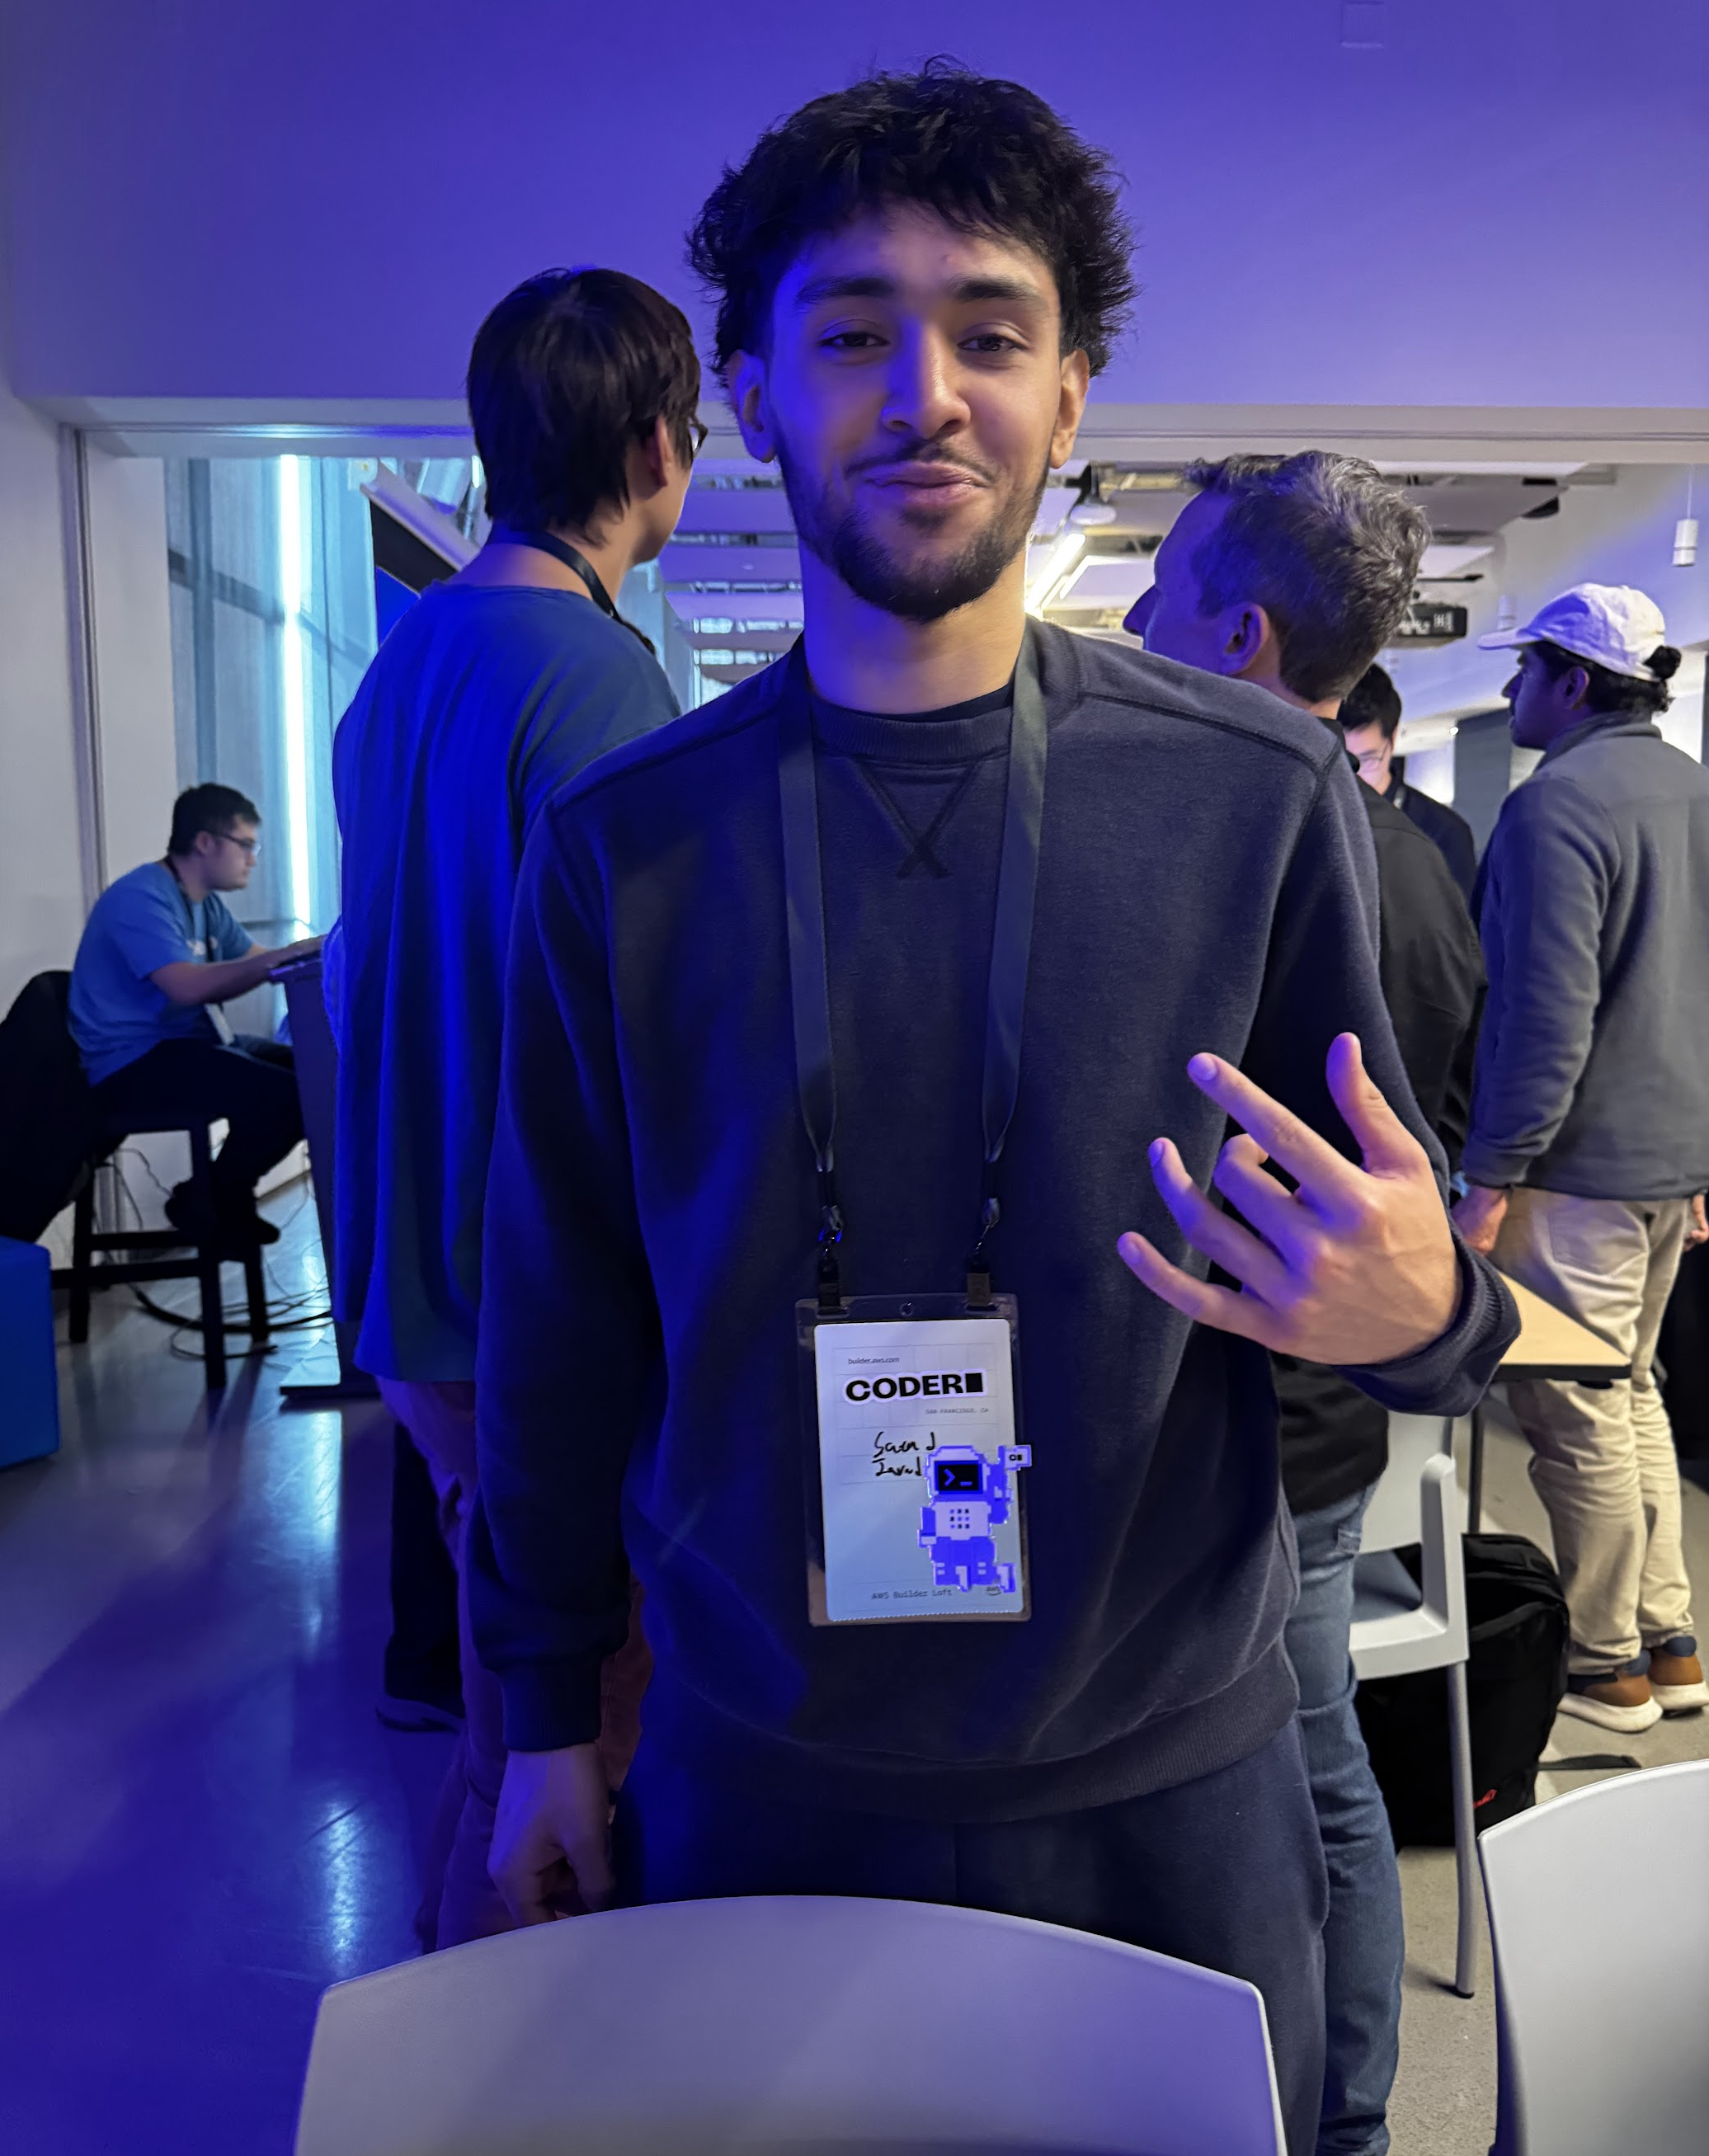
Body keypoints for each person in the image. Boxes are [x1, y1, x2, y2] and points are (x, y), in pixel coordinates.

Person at [470, 68, 1517, 2156]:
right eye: (853, 331)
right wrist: (535, 1718)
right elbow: (562, 1316)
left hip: (1167, 1784)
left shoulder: (1253, 794)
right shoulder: (626, 841)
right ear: (753, 392)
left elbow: (1399, 1278)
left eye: (990, 330)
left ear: (1071, 396)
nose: (925, 390)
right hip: (761, 1769)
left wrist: (1424, 1313)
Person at [331, 266, 699, 1946]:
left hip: (411, 1283)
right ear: (655, 450)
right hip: (538, 1295)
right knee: (569, 1743)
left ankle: (460, 2043)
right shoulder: (603, 683)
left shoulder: (391, 674)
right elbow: (644, 1038)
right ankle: (500, 2076)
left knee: (504, 1707)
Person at [1129, 452, 1485, 2156]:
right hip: (1316, 1410)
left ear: (1243, 633)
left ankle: (1339, 2114)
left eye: (1165, 583)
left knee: (1307, 1770)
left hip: (1284, 1406)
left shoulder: (1262, 847)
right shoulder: (1411, 846)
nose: (1128, 616)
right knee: (1313, 1755)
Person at [1454, 584, 1709, 1734]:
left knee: (1569, 1408)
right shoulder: (1695, 791)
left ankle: (1607, 1661)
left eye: (1525, 670)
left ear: (1571, 680)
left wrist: (1492, 1174)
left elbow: (1541, 1017)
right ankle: (1672, 1635)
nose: (1510, 690)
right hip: (1668, 1168)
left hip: (1576, 1170)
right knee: (1630, 1391)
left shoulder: (1559, 806)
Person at [68, 783, 318, 1249]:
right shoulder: (141, 897)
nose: (253, 859)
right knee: (283, 1095)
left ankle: (209, 1196)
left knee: (311, 1076)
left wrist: (311, 954)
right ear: (205, 842)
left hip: (187, 1045)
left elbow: (264, 959)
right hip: (131, 1062)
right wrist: (281, 958)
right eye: (246, 845)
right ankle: (215, 1198)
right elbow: (185, 986)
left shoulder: (205, 905)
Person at [1341, 663, 1478, 901]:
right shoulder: (1312, 819)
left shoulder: (1441, 832)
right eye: (1340, 762)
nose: (1351, 778)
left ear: (1392, 740)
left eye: (1368, 760)